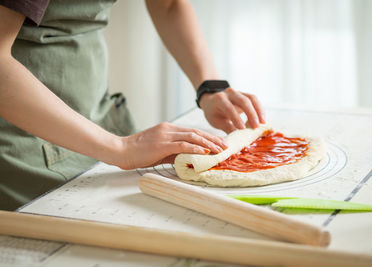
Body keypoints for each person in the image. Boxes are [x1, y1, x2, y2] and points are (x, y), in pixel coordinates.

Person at [0, 0, 265, 211]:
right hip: (21, 136)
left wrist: (210, 86)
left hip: (97, 112)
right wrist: (120, 148)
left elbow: (168, 4)